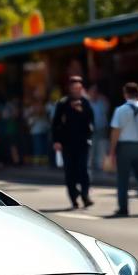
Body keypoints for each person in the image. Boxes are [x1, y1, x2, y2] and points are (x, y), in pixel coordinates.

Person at [109, 82, 138, 218]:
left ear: (125, 94)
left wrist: (112, 150)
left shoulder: (120, 110)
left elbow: (116, 131)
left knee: (123, 179)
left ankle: (123, 208)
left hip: (125, 146)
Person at [51, 76, 94, 208]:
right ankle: (74, 197)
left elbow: (91, 121)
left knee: (83, 170)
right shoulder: (62, 103)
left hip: (82, 142)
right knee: (70, 172)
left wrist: (82, 112)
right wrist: (56, 141)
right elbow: (55, 123)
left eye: (79, 88)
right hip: (67, 143)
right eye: (75, 88)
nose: (77, 90)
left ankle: (85, 195)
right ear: (70, 89)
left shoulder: (85, 103)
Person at [87, 83, 110, 172]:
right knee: (90, 149)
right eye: (92, 91)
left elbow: (106, 111)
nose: (94, 93)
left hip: (101, 129)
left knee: (101, 148)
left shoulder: (103, 102)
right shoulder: (86, 103)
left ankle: (100, 166)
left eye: (96, 92)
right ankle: (89, 167)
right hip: (90, 129)